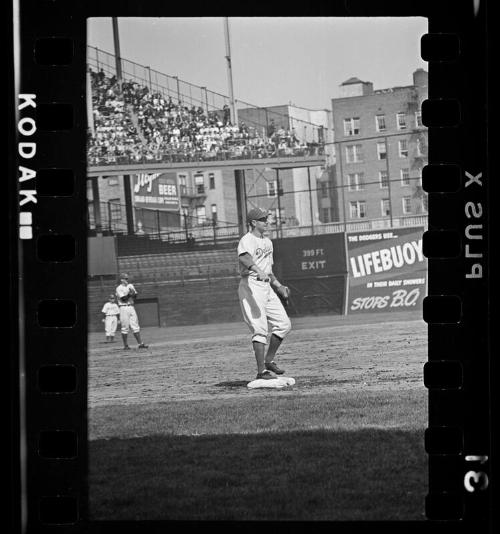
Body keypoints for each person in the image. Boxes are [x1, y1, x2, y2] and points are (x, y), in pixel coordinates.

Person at [237, 207, 292, 380]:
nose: (267, 222)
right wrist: (256, 269)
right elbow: (245, 258)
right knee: (260, 329)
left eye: (266, 219)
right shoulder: (247, 240)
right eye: (263, 219)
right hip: (251, 286)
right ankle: (261, 372)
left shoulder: (268, 242)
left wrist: (279, 286)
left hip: (266, 287)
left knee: (284, 324)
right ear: (253, 222)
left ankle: (269, 361)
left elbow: (268, 271)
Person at [115, 273, 149, 350]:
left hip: (131, 307)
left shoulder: (130, 285)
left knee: (135, 326)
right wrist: (130, 294)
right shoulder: (119, 288)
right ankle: (126, 345)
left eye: (127, 278)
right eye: (125, 278)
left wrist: (133, 294)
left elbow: (135, 296)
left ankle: (141, 344)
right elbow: (123, 299)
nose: (127, 280)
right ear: (121, 280)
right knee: (125, 327)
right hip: (123, 308)